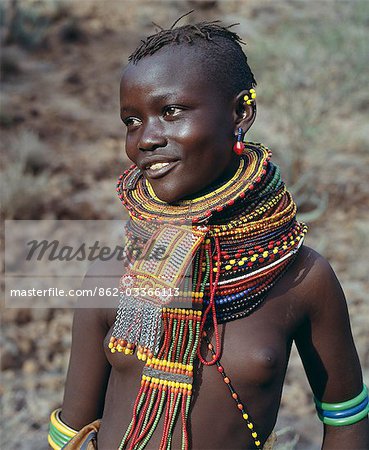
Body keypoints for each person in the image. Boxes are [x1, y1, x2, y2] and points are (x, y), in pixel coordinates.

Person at [48, 17, 369, 450]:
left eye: (171, 111)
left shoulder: (302, 279)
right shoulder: (113, 273)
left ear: (241, 112)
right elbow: (71, 431)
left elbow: (347, 420)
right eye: (132, 120)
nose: (146, 139)